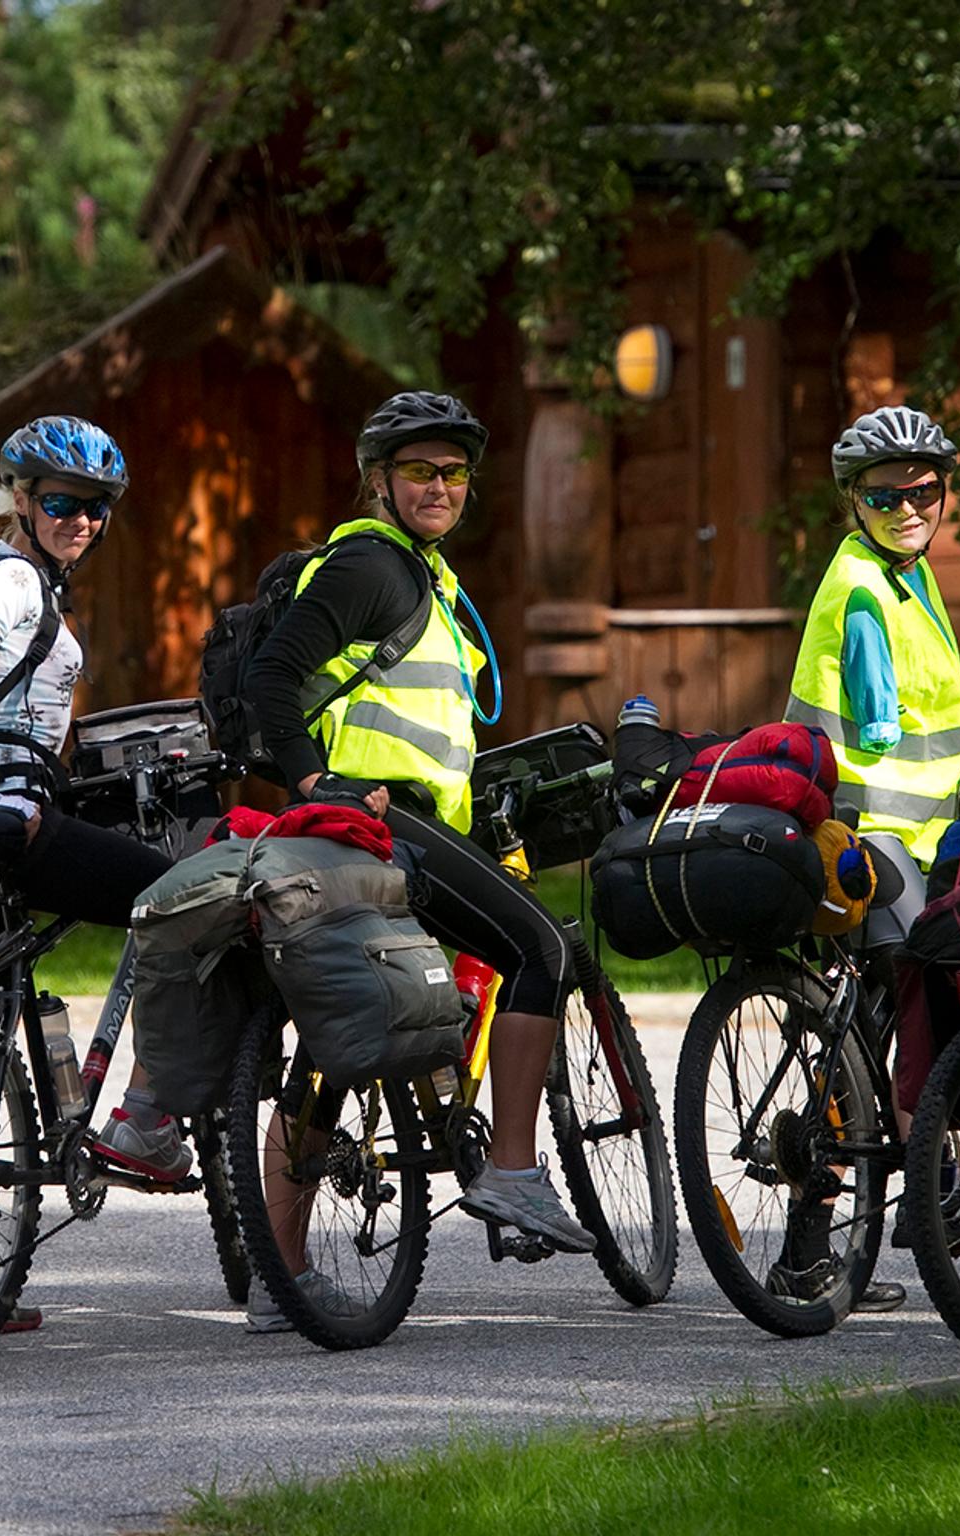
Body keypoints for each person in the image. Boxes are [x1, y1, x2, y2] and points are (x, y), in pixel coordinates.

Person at [243, 390, 593, 1333]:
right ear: (378, 480)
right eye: (420, 472)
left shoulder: (420, 575)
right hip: (378, 824)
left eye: (453, 473)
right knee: (541, 953)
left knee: (334, 1039)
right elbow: (270, 677)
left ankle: (279, 1277)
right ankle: (514, 1173)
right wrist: (318, 780)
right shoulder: (374, 565)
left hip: (396, 823)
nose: (440, 487)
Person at [0, 415, 188, 1329]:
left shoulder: (34, 586)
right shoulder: (16, 582)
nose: (82, 521)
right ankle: (146, 1110)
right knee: (179, 899)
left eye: (98, 508)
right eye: (63, 502)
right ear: (20, 500)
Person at [779, 403, 960, 1311]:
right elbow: (880, 723)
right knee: (924, 996)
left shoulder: (904, 572)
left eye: (925, 491)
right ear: (853, 502)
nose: (910, 507)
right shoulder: (867, 588)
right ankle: (931, 1190)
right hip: (873, 837)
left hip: (905, 833)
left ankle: (805, 1252)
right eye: (887, 496)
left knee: (863, 1043)